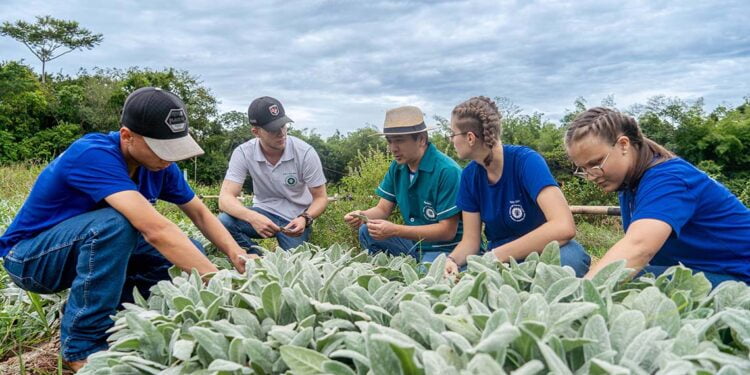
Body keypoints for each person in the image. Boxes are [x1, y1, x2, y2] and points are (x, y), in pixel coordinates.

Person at [0, 87, 249, 371]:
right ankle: (80, 348)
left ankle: (107, 319)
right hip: (32, 260)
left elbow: (201, 213)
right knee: (117, 223)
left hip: (85, 251)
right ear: (127, 135)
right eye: (160, 149)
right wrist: (218, 282)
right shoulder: (92, 154)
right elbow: (155, 229)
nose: (168, 159)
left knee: (189, 249)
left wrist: (237, 255)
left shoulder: (158, 166)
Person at [565, 107, 750, 285]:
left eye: (596, 163)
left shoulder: (668, 179)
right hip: (709, 273)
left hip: (739, 276)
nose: (590, 176)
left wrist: (579, 297)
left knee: (631, 283)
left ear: (623, 144)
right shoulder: (630, 184)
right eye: (583, 169)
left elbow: (639, 247)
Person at [444, 96, 590, 277]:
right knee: (462, 274)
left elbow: (563, 226)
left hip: (541, 250)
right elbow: (471, 242)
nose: (451, 140)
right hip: (500, 258)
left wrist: (496, 256)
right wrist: (451, 260)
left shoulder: (527, 161)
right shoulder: (469, 176)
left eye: (452, 134)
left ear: (470, 137)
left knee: (570, 259)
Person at [344, 106, 463, 262]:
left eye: (399, 140)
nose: (393, 148)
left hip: (446, 249)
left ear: (421, 139)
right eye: (389, 141)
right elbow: (382, 209)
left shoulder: (446, 170)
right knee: (367, 230)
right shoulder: (398, 167)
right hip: (415, 245)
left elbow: (447, 231)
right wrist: (362, 216)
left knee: (424, 278)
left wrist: (396, 230)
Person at [218, 96, 328, 253]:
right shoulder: (243, 153)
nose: (281, 133)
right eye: (273, 129)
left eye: (283, 125)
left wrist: (305, 218)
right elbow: (225, 199)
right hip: (263, 211)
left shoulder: (305, 153)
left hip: (295, 218)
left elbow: (321, 198)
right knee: (224, 221)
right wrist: (252, 217)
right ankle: (257, 260)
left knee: (295, 265)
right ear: (256, 132)